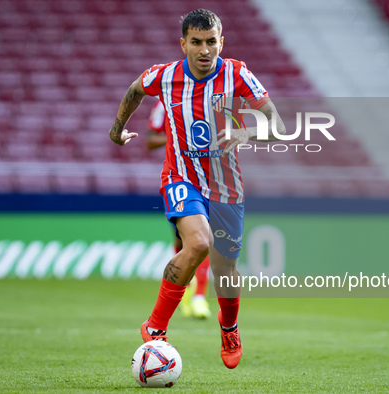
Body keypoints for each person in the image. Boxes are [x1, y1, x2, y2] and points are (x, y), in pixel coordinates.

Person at [109, 8, 285, 369]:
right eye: (196, 42)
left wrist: (245, 132)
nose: (204, 50)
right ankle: (155, 325)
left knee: (225, 270)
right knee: (199, 243)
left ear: (221, 42)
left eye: (211, 42)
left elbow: (274, 120)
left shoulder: (237, 73)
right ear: (183, 44)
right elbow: (134, 90)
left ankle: (229, 327)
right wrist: (117, 129)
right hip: (181, 179)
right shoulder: (166, 76)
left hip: (226, 187)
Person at [146, 101, 212, 319]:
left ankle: (199, 296)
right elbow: (150, 141)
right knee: (183, 239)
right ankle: (185, 288)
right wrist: (179, 137)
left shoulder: (213, 97)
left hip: (211, 181)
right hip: (179, 181)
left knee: (205, 238)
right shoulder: (165, 102)